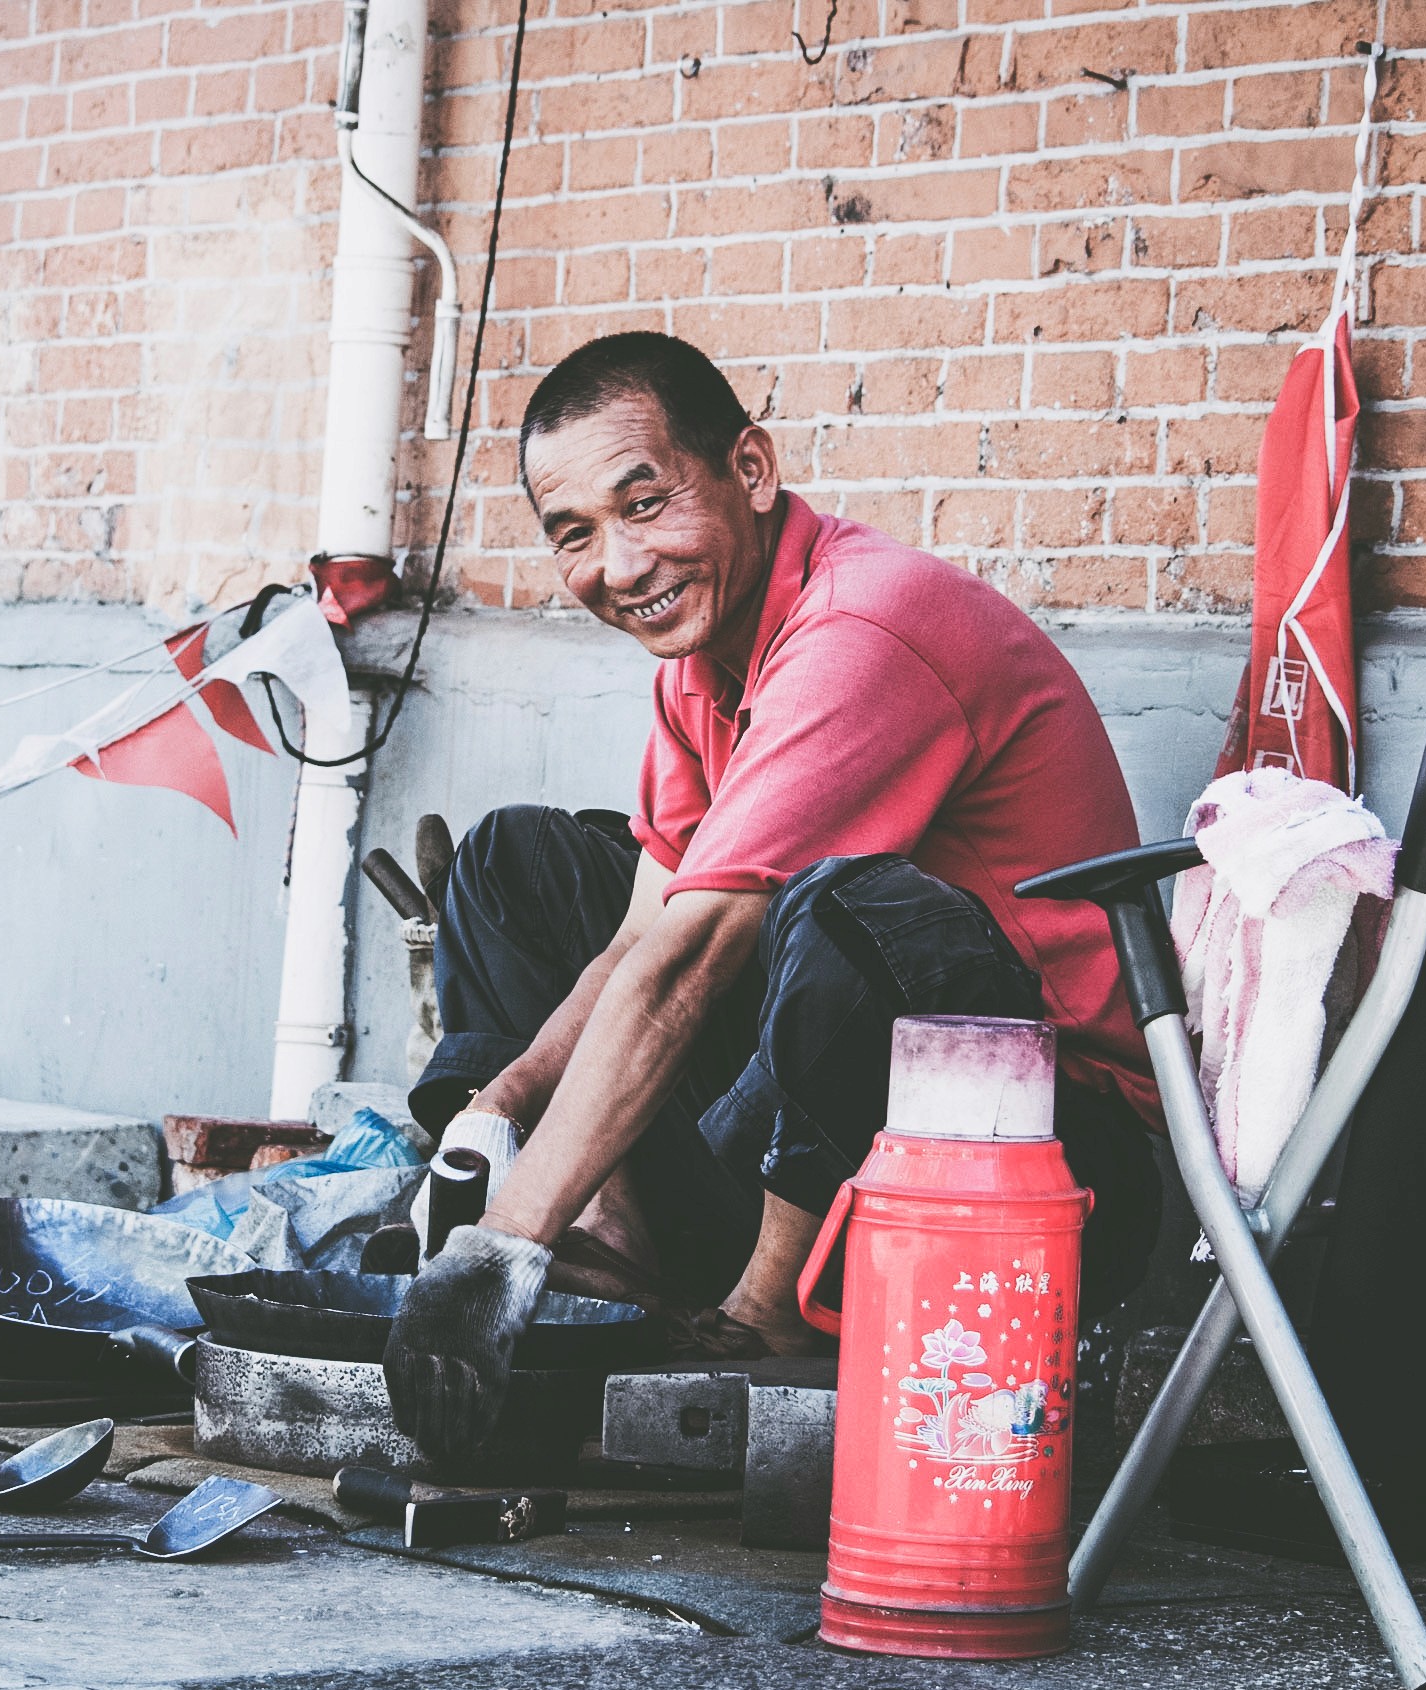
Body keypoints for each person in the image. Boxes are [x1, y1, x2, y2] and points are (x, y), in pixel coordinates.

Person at [382, 331, 1163, 1458]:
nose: (620, 564)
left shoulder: (861, 629)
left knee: (843, 906)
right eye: (575, 534)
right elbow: (634, 939)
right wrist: (490, 1116)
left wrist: (503, 1244)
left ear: (750, 472)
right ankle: (625, 1264)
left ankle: (762, 1324)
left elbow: (692, 958)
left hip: (1032, 1160)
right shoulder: (697, 669)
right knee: (517, 863)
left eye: (643, 504)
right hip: (830, 1132)